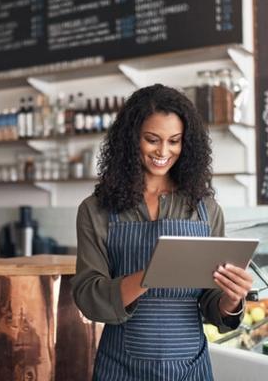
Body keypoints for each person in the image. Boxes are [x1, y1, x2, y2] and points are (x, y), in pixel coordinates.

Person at [71, 84, 253, 381]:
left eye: (175, 141)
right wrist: (151, 274)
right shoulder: (96, 210)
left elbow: (212, 301)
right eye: (152, 140)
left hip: (190, 368)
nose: (163, 152)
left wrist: (231, 299)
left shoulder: (205, 208)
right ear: (131, 140)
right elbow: (88, 295)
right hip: (120, 367)